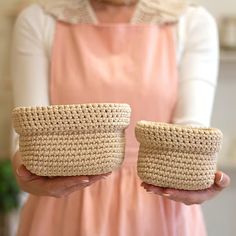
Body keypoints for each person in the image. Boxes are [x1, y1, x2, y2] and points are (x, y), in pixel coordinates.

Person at [11, 0, 230, 235]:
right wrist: (26, 175)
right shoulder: (40, 19)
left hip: (158, 208)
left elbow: (192, 133)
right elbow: (27, 134)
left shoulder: (191, 22)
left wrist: (196, 178)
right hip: (62, 207)